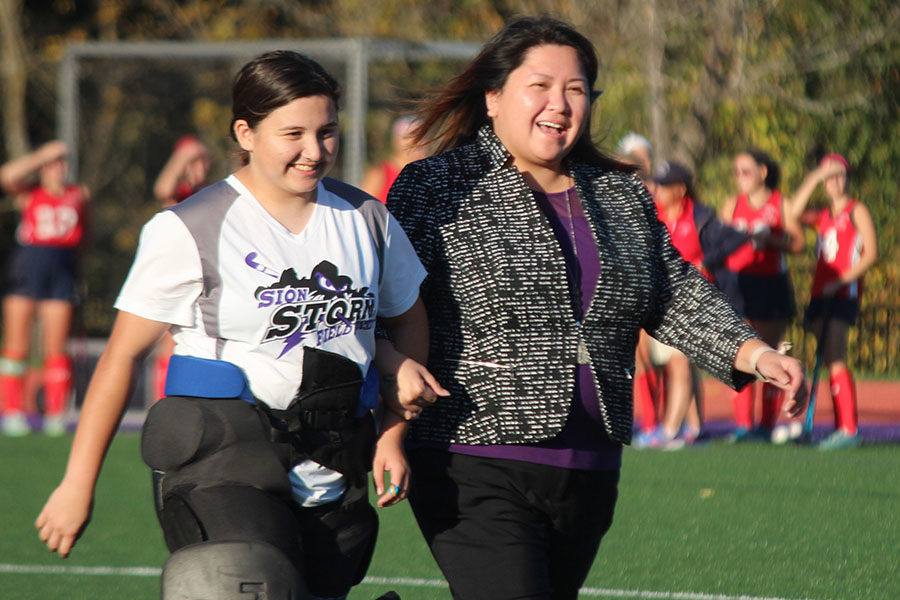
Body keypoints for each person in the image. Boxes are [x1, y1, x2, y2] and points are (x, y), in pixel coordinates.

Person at [381, 16, 807, 599]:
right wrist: (388, 416)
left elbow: (670, 287)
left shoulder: (620, 191)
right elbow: (388, 309)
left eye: (576, 90)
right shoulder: (435, 185)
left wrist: (756, 354)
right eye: (540, 86)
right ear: (494, 96)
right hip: (470, 455)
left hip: (590, 464)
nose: (559, 104)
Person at [35, 50, 442, 600]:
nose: (313, 151)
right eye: (291, 133)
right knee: (239, 582)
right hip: (223, 454)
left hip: (334, 457)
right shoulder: (189, 226)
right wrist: (77, 484)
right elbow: (121, 356)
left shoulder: (367, 218)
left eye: (327, 132)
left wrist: (393, 432)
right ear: (245, 132)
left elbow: (406, 320)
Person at [639, 161, 749, 449]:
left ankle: (670, 430)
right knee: (681, 365)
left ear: (681, 189)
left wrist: (705, 262)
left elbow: (737, 238)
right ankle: (696, 428)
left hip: (692, 301)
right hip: (663, 302)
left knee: (679, 363)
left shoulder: (700, 216)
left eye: (664, 185)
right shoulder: (655, 214)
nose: (658, 190)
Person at [787, 153, 877, 449]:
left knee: (836, 357)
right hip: (819, 294)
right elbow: (791, 212)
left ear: (848, 179)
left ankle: (849, 429)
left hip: (842, 294)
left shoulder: (857, 210)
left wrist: (841, 280)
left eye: (839, 175)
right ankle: (840, 427)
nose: (833, 182)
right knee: (828, 359)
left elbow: (871, 254)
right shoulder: (823, 216)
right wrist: (814, 177)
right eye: (829, 177)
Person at [0, 140, 89, 437]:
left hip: (61, 270)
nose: (58, 168)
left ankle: (55, 415)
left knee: (55, 347)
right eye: (52, 164)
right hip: (28, 267)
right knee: (17, 345)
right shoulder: (29, 195)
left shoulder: (78, 195)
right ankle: (12, 412)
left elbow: (84, 236)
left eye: (62, 163)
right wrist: (40, 155)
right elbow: (7, 175)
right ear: (42, 169)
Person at [718, 148, 803, 442]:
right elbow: (717, 244)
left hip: (771, 284)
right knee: (739, 351)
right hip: (740, 283)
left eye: (746, 171)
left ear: (762, 172)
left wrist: (772, 240)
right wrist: (734, 238)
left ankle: (765, 426)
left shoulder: (780, 203)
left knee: (769, 351)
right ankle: (743, 426)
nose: (740, 178)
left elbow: (799, 243)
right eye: (736, 172)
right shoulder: (733, 204)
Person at [151, 135, 212, 401]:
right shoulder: (179, 193)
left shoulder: (211, 193)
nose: (199, 166)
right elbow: (162, 189)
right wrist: (183, 157)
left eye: (202, 160)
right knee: (168, 337)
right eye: (192, 161)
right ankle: (163, 401)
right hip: (171, 271)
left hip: (202, 270)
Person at [360, 115, 426, 203]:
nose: (419, 144)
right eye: (413, 138)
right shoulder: (380, 174)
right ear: (396, 142)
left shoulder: (426, 176)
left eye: (422, 137)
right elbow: (361, 210)